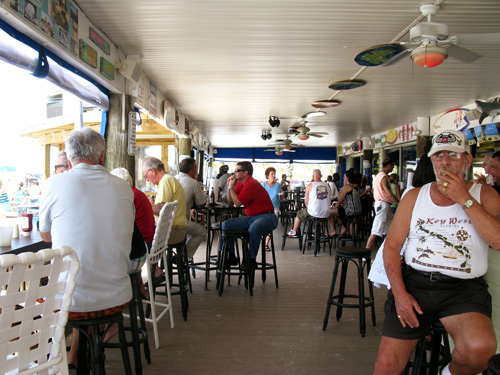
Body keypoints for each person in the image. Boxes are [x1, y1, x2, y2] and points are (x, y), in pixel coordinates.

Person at [373, 130, 500, 375]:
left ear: (466, 160)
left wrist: (463, 198)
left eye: (453, 155)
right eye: (438, 156)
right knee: (386, 365)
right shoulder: (414, 197)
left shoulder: (485, 195)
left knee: (480, 350)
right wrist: (399, 294)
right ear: (431, 161)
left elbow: (497, 240)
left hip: (463, 290)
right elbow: (391, 247)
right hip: (414, 284)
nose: (445, 162)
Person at [39, 128, 135, 369]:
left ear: (69, 159)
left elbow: (46, 235)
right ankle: (88, 349)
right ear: (102, 156)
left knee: (68, 282)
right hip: (117, 298)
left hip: (70, 304)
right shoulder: (124, 188)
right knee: (84, 274)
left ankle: (62, 359)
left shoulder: (54, 184)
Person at [221, 161, 278, 272]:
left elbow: (237, 203)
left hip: (267, 217)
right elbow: (230, 203)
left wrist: (231, 188)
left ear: (245, 173)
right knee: (225, 225)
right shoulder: (241, 184)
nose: (234, 172)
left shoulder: (251, 183)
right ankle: (231, 256)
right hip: (251, 217)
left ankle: (250, 259)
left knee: (254, 228)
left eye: (237, 170)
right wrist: (229, 187)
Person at [143, 156, 187, 245]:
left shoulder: (165, 181)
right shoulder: (169, 179)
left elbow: (161, 210)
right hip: (173, 229)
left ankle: (148, 259)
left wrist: (148, 205)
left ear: (152, 170)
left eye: (145, 175)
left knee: (139, 238)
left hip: (172, 231)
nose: (147, 179)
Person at [176, 157, 208, 258]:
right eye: (195, 168)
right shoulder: (193, 182)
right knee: (202, 231)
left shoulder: (173, 178)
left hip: (164, 225)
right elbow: (202, 203)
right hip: (179, 224)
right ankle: (182, 257)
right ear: (191, 171)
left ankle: (175, 257)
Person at [365, 158, 399, 250]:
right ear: (389, 165)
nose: (392, 168)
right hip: (383, 205)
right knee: (376, 230)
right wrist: (398, 202)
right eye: (392, 166)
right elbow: (389, 193)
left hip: (383, 204)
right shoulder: (383, 177)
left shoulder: (378, 176)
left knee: (390, 228)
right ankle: (366, 253)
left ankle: (388, 251)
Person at [287, 169, 331, 237]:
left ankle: (294, 231)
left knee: (299, 213)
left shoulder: (310, 185)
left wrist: (310, 208)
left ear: (313, 176)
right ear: (321, 176)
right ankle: (316, 231)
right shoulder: (328, 185)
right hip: (327, 213)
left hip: (314, 212)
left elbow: (306, 202)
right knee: (321, 216)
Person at [329, 170, 361, 236]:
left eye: (344, 176)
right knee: (336, 211)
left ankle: (334, 230)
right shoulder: (356, 186)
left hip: (349, 210)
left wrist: (335, 207)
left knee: (330, 211)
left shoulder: (346, 187)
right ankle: (343, 228)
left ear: (348, 178)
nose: (343, 178)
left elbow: (340, 200)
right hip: (358, 210)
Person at [261, 167, 283, 250]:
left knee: (271, 226)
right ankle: (264, 241)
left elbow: (281, 194)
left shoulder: (277, 185)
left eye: (274, 174)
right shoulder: (263, 184)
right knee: (264, 225)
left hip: (275, 208)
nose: (274, 176)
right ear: (267, 175)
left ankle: (266, 243)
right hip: (264, 208)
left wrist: (282, 194)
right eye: (272, 174)